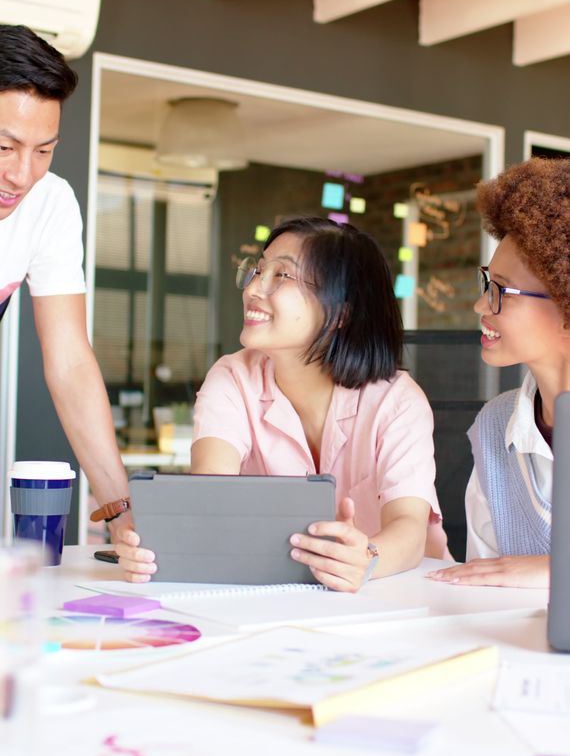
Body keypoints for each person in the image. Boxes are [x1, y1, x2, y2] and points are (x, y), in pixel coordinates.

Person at [116, 216, 448, 586]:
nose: (254, 289)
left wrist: (364, 559)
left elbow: (409, 529)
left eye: (281, 276)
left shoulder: (397, 401)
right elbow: (211, 498)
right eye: (258, 271)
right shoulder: (232, 378)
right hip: (282, 594)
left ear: (341, 312)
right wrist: (157, 545)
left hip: (403, 595)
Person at [0, 24, 135, 541]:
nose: (21, 175)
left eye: (43, 150)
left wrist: (119, 509)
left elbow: (70, 362)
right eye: (5, 147)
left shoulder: (50, 203)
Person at [428, 157, 570, 589]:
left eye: (500, 291)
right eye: (485, 283)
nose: (480, 306)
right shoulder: (495, 427)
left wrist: (551, 573)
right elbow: (483, 584)